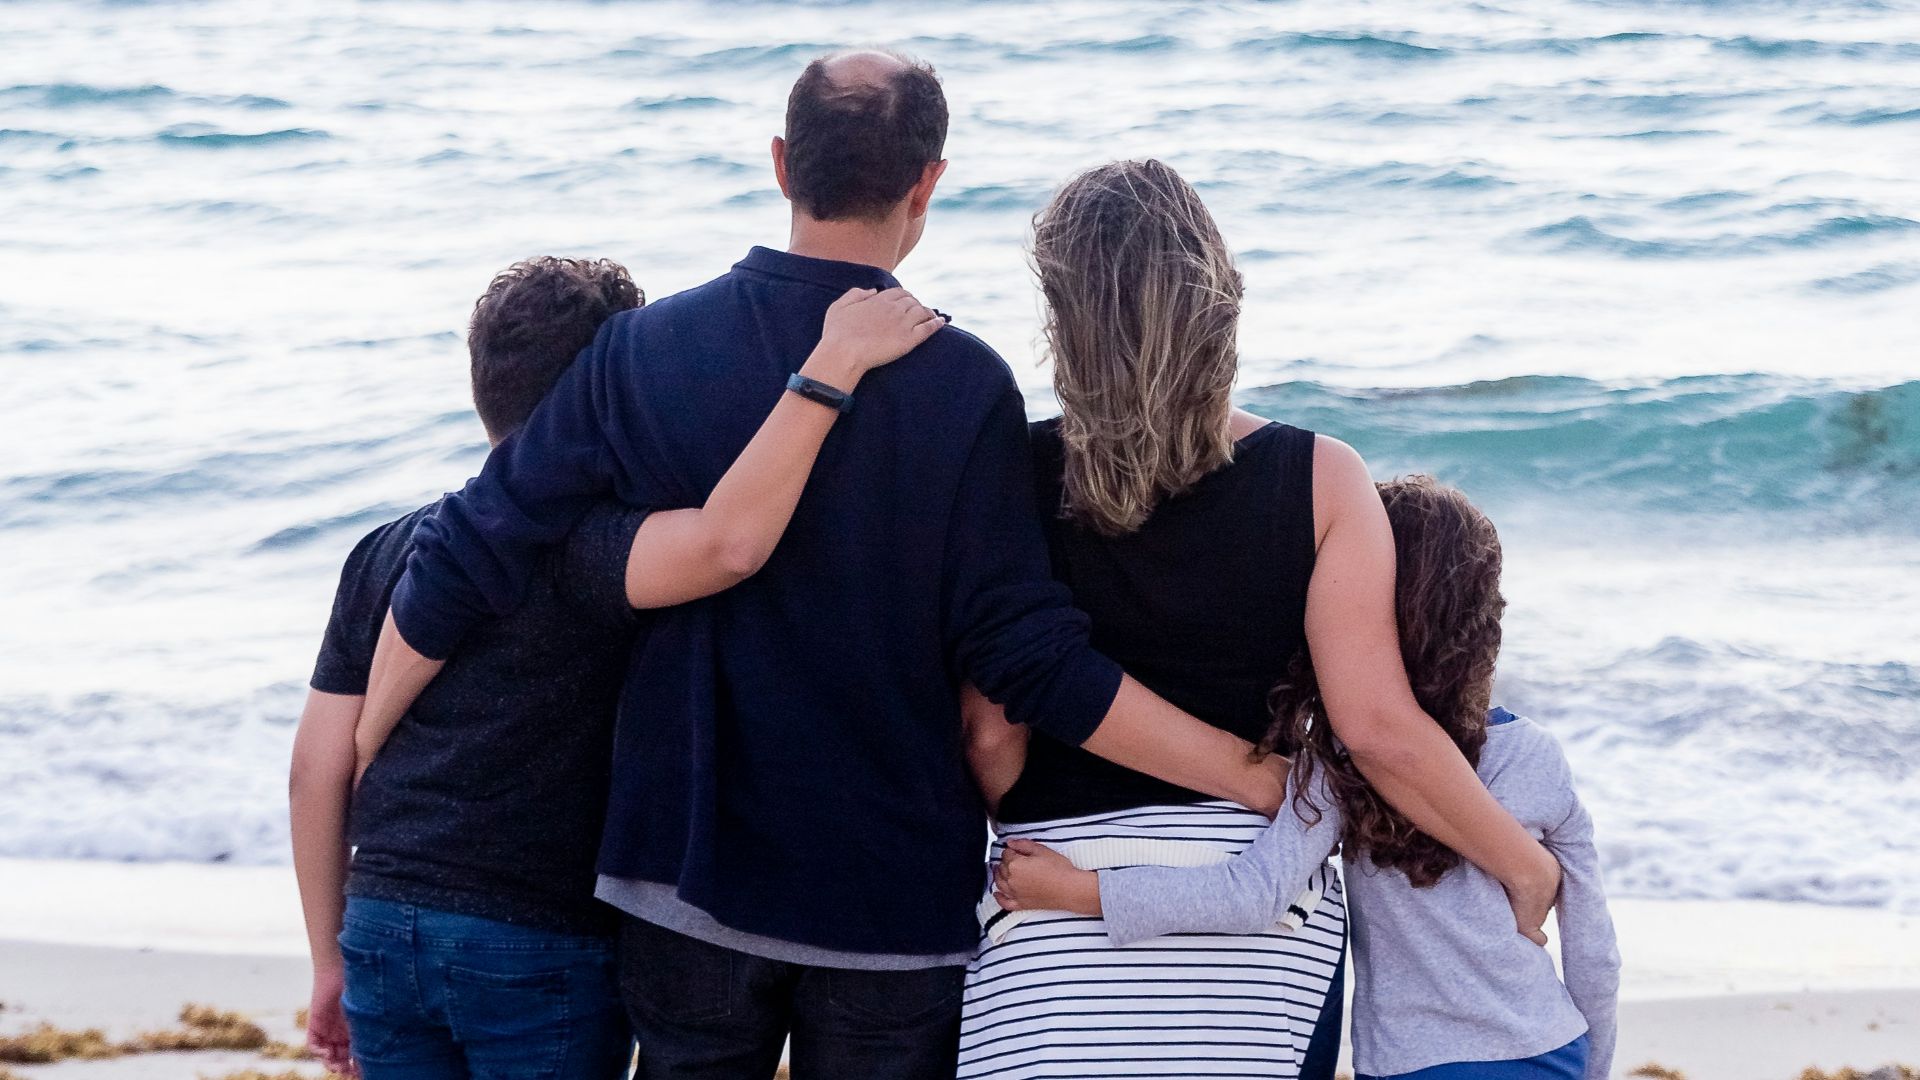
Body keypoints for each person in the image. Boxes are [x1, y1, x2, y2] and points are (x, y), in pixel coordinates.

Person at [352, 50, 1304, 1080]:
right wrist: (1250, 776)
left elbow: (474, 547)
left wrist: (367, 743)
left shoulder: (642, 351)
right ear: (929, 180)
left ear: (778, 163)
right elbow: (1027, 660)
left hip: (682, 877)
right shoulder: (965, 385)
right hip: (887, 899)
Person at [951, 161, 1565, 1080]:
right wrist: (1522, 866)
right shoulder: (1322, 476)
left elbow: (990, 737)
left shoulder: (1010, 473)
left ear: (1063, 319)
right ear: (1219, 300)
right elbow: (1381, 734)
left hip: (1054, 911)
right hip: (1260, 928)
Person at [289, 256, 943, 1078]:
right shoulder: (596, 550)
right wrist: (829, 368)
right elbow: (725, 543)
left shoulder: (384, 551)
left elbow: (315, 770)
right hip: (536, 938)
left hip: (381, 922)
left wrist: (328, 960)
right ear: (613, 391)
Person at [994, 476, 1622, 1080]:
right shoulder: (1537, 755)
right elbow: (1594, 954)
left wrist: (1079, 890)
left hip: (1412, 1062)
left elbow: (1251, 894)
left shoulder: (1342, 763)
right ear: (1484, 616)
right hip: (1549, 1047)